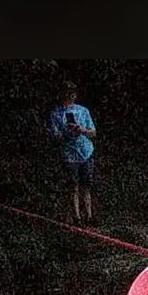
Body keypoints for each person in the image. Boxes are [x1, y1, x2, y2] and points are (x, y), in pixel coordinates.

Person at [47, 81, 97, 224]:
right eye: (67, 92)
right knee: (73, 185)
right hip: (69, 154)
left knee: (86, 185)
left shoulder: (83, 111)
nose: (70, 95)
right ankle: (77, 217)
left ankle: (89, 216)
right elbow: (55, 135)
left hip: (85, 151)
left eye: (72, 92)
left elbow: (93, 132)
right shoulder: (56, 113)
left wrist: (81, 130)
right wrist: (67, 133)